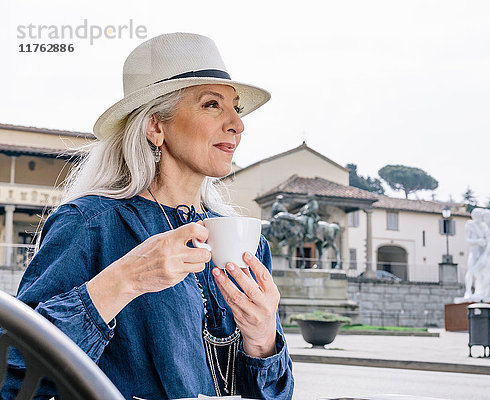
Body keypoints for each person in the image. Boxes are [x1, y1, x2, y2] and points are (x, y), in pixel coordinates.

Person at [1, 33, 294, 399]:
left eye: (236, 107)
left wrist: (264, 338)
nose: (237, 123)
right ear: (155, 126)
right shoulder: (90, 224)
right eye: (211, 105)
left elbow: (276, 395)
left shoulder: (247, 240)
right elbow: (12, 374)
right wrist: (125, 280)